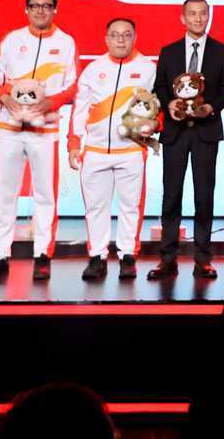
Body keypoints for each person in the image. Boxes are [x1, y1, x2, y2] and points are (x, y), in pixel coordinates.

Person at [0, 0, 77, 283]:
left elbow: (72, 85)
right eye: (34, 5)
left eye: (46, 5)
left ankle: (43, 255)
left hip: (44, 131)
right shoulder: (12, 39)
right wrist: (4, 98)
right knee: (5, 195)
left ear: (55, 10)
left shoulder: (66, 42)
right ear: (26, 10)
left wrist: (51, 103)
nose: (40, 10)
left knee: (45, 195)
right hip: (9, 128)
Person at [149, 0, 224, 281]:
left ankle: (203, 260)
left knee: (204, 196)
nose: (198, 18)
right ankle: (167, 259)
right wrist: (168, 103)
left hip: (206, 131)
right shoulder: (169, 51)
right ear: (182, 18)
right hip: (175, 132)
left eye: (203, 14)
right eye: (192, 14)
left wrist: (211, 107)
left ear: (209, 17)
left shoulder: (222, 51)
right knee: (171, 195)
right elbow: (160, 86)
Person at [67, 16, 157, 281]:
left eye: (127, 35)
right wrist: (74, 143)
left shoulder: (148, 68)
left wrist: (155, 126)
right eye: (115, 35)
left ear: (135, 38)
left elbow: (158, 105)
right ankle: (97, 257)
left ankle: (128, 256)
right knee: (96, 208)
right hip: (95, 151)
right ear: (106, 39)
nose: (121, 40)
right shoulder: (93, 69)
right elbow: (80, 109)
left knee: (131, 207)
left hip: (131, 151)